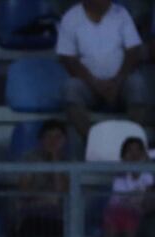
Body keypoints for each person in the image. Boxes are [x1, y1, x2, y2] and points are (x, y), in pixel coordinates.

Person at [57, 0, 146, 138]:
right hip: (89, 85)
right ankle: (90, 142)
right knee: (71, 88)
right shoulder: (71, 17)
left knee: (137, 84)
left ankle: (130, 142)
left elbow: (133, 51)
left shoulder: (121, 13)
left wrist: (117, 81)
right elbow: (68, 59)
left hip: (119, 83)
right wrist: (95, 84)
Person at [5, 119, 69, 237]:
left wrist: (55, 162)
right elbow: (24, 190)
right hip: (31, 216)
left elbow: (62, 191)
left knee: (58, 234)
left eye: (58, 138)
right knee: (27, 231)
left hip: (57, 218)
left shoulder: (68, 163)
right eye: (49, 137)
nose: (53, 142)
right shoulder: (30, 158)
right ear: (41, 140)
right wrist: (46, 197)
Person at [101, 137, 152, 237]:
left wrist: (135, 202)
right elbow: (118, 200)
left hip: (137, 216)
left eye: (137, 150)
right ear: (124, 155)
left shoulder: (148, 176)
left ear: (143, 154)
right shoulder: (120, 174)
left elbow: (144, 202)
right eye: (130, 151)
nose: (134, 154)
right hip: (116, 214)